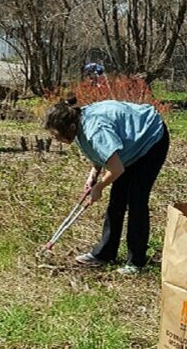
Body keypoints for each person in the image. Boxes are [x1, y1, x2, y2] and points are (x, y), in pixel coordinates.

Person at [44, 97, 170, 275]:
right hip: (130, 142)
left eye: (57, 135)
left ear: (70, 127)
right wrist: (93, 175)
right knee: (117, 200)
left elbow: (116, 168)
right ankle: (105, 254)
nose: (56, 139)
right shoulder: (77, 122)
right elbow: (100, 153)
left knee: (136, 200)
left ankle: (136, 262)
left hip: (150, 138)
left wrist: (99, 187)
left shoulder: (94, 129)